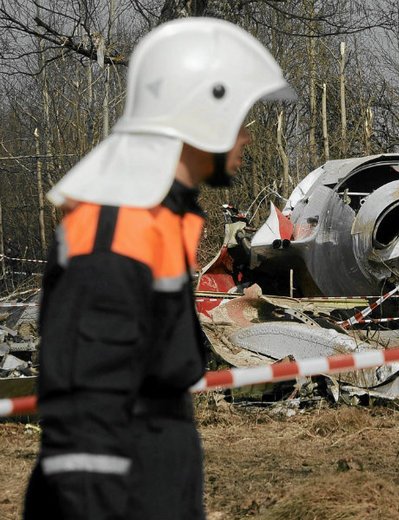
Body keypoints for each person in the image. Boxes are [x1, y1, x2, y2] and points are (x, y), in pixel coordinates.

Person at [24, 18, 295, 519]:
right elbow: (86, 411)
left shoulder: (157, 218)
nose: (246, 140)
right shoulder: (118, 226)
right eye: (239, 122)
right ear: (201, 114)